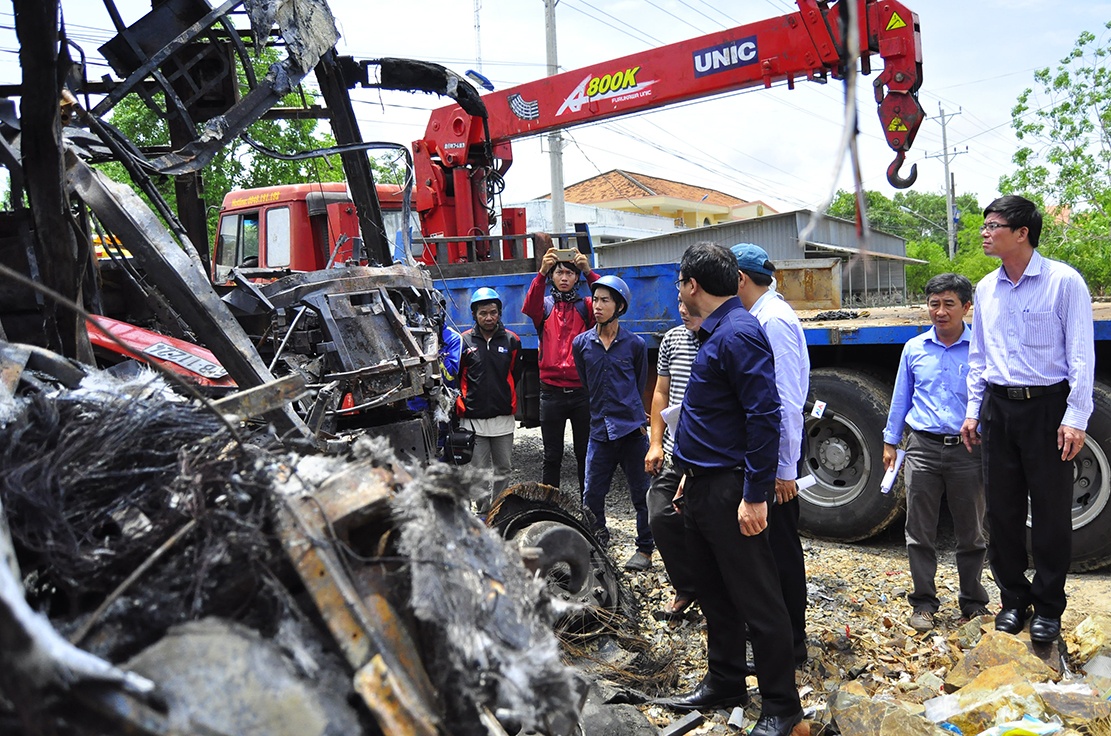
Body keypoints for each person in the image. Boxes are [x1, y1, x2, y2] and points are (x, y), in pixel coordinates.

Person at [664, 242, 802, 736]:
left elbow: (764, 416)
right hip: (701, 484)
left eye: (680, 283)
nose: (679, 291)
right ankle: (725, 679)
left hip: (730, 489)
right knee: (715, 592)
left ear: (691, 285)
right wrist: (686, 473)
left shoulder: (740, 333)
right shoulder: (715, 331)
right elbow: (716, 417)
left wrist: (755, 494)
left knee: (758, 600)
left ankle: (783, 708)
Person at [960, 195, 1094, 645]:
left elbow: (1080, 355)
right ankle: (1013, 600)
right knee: (1002, 512)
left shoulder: (1063, 283)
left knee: (1052, 512)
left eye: (993, 225)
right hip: (1000, 408)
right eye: (985, 224)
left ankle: (1049, 607)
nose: (985, 232)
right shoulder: (984, 289)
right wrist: (972, 411)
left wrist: (1075, 417)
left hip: (1047, 409)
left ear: (1022, 233)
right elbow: (978, 357)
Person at [882, 273, 990, 633]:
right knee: (919, 531)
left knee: (971, 531)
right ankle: (924, 603)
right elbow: (901, 397)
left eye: (949, 304)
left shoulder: (980, 349)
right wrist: (890, 441)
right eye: (934, 304)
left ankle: (973, 601)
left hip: (968, 450)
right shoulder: (914, 349)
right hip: (922, 448)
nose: (940, 312)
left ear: (966, 307)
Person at [731, 243, 810, 666]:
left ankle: (792, 644)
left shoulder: (773, 321)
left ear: (739, 279)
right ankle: (775, 637)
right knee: (765, 551)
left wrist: (782, 470)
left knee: (779, 552)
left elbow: (785, 402)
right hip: (767, 455)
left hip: (775, 459)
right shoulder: (762, 315)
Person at [572, 275, 654, 569]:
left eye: (605, 300)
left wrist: (634, 414)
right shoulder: (582, 344)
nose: (597, 306)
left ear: (619, 306)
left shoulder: (635, 344)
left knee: (642, 492)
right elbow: (586, 381)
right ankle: (597, 542)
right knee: (592, 492)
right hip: (599, 430)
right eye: (595, 299)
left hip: (632, 431)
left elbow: (639, 381)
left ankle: (645, 549)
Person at [522, 235, 600, 495]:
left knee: (584, 454)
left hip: (581, 393)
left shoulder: (587, 306)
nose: (564, 277)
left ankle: (589, 509)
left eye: (570, 273)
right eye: (559, 273)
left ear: (576, 278)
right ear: (553, 277)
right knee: (552, 455)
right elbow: (529, 304)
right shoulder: (543, 307)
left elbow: (611, 303)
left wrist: (589, 271)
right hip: (551, 393)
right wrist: (541, 272)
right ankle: (550, 507)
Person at [645, 300, 702, 616]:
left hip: (707, 455)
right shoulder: (672, 339)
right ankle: (686, 586)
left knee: (706, 524)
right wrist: (656, 443)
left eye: (687, 301)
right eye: (677, 300)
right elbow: (660, 393)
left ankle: (717, 595)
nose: (681, 307)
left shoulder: (720, 338)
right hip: (674, 449)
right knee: (660, 516)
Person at [457, 288, 522, 512]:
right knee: (478, 472)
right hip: (474, 419)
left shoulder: (512, 340)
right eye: (483, 313)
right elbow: (457, 377)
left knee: (503, 468)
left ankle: (498, 510)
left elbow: (515, 372)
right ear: (474, 314)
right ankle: (483, 511)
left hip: (503, 418)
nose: (489, 317)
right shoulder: (463, 342)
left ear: (499, 313)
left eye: (493, 312)